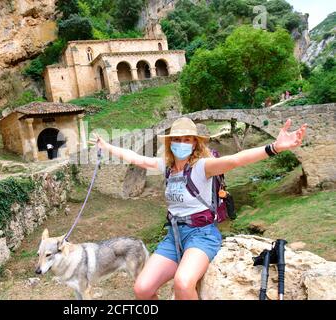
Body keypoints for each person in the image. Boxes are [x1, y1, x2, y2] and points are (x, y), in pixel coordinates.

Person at [89, 117, 307, 300]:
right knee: (142, 289)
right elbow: (138, 159)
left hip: (201, 235)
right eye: (177, 139)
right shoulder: (167, 167)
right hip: (173, 237)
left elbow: (236, 160)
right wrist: (106, 147)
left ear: (194, 143)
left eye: (187, 139)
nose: (181, 143)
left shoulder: (203, 165)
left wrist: (274, 147)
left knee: (183, 284)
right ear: (170, 142)